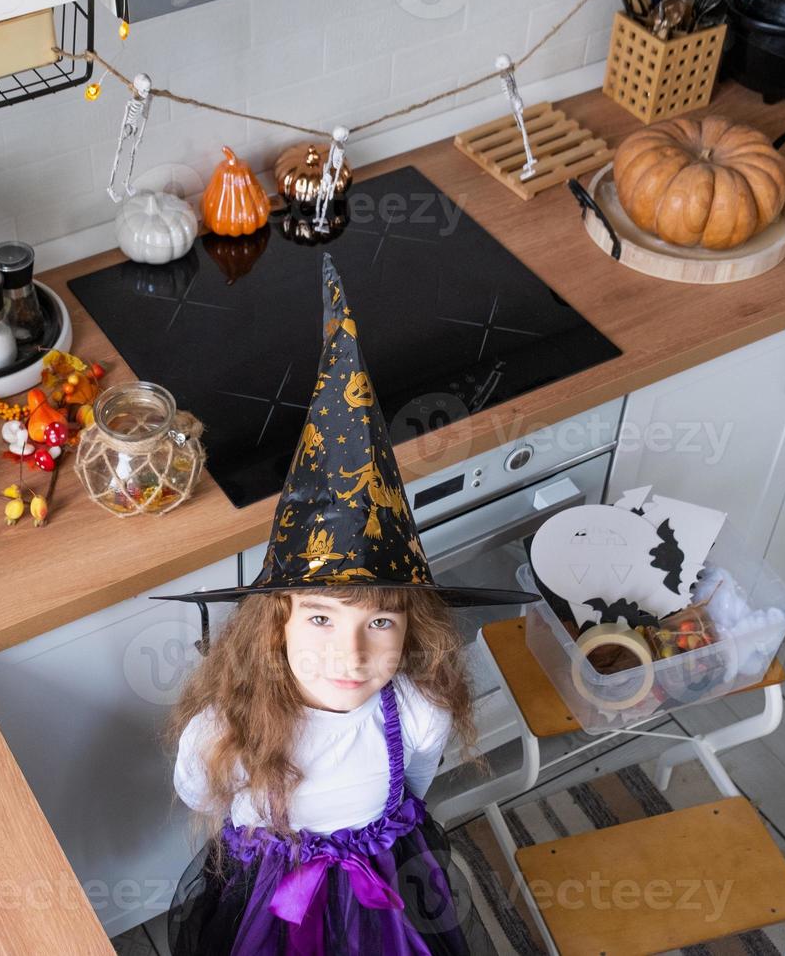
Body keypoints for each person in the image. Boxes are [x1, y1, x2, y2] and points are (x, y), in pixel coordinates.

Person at [153, 256, 534, 955]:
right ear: (278, 622)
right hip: (268, 899)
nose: (351, 654)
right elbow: (204, 797)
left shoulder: (420, 712)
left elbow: (408, 793)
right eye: (323, 617)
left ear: (411, 629)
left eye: (379, 622)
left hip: (381, 897)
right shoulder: (223, 731)